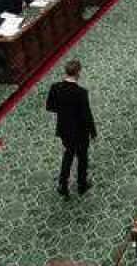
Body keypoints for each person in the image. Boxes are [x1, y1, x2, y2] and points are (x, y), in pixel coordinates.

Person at [46, 59, 97, 198]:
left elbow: (50, 106)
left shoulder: (55, 87)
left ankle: (63, 185)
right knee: (82, 158)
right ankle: (81, 185)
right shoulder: (81, 92)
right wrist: (93, 131)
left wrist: (64, 111)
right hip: (80, 131)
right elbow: (86, 115)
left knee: (68, 155)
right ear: (78, 72)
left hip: (64, 130)